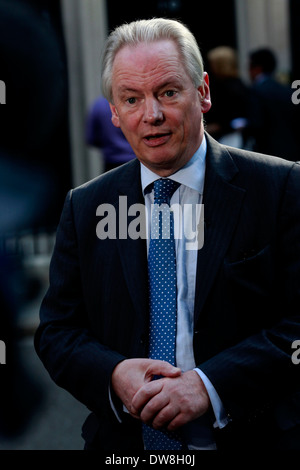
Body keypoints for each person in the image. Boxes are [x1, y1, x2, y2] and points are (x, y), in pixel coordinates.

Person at [34, 18, 300, 451]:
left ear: (203, 92)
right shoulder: (84, 208)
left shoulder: (281, 188)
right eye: (132, 99)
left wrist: (209, 386)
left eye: (168, 92)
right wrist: (113, 375)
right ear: (115, 113)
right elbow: (57, 332)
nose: (151, 115)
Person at [247, 47, 300, 161]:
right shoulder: (287, 90)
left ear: (256, 68)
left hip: (268, 153)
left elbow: (257, 124)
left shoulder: (256, 91)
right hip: (291, 150)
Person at [205, 46, 250, 149]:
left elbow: (237, 118)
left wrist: (215, 127)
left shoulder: (226, 87)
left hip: (230, 139)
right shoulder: (239, 84)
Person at [86, 96, 136, 172]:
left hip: (111, 164)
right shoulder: (135, 103)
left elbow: (91, 138)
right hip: (136, 162)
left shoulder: (99, 105)